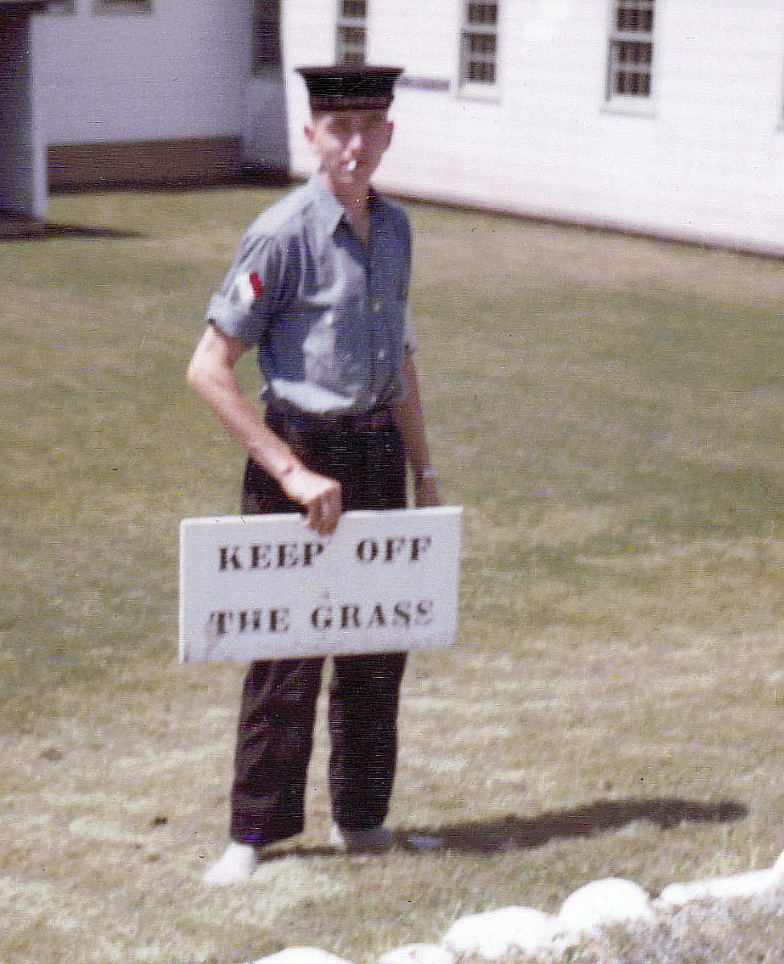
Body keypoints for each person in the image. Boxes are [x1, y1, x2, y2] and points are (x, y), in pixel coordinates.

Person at [187, 65, 440, 885]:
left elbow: (398, 357)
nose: (357, 144)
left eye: (371, 126)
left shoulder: (396, 229)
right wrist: (291, 473)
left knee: (375, 649)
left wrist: (426, 471)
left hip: (376, 456)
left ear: (391, 134)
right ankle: (251, 838)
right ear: (311, 137)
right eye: (340, 128)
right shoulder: (281, 234)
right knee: (285, 661)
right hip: (299, 458)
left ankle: (362, 822)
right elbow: (208, 369)